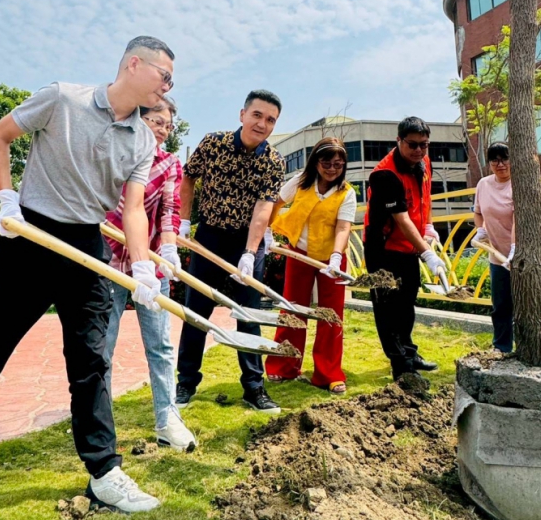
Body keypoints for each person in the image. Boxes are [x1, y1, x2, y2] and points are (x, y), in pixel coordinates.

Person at [0, 36, 175, 514]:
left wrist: (143, 264)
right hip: (30, 237)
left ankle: (104, 472)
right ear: (133, 64)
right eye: (164, 74)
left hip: (86, 246)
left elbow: (132, 210)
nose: (168, 85)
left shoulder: (144, 139)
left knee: (89, 363)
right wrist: (7, 199)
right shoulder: (63, 97)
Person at [176, 90, 285, 413]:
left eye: (270, 120)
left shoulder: (273, 162)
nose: (262, 124)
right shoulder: (213, 144)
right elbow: (188, 177)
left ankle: (254, 388)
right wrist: (183, 221)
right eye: (257, 115)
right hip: (209, 236)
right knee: (196, 312)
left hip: (247, 241)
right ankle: (186, 382)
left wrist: (251, 253)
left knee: (247, 315)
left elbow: (263, 210)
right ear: (242, 114)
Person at [103, 97, 196, 452]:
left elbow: (170, 210)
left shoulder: (170, 163)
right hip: (107, 259)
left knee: (160, 345)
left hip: (151, 262)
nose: (163, 130)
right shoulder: (114, 151)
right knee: (102, 347)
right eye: (157, 122)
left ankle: (167, 418)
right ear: (138, 120)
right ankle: (101, 422)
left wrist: (169, 247)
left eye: (168, 126)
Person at [264, 137, 357, 394]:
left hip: (331, 259)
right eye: (326, 162)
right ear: (316, 161)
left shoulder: (346, 192)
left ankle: (328, 374)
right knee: (292, 309)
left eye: (338, 164)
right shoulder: (300, 183)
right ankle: (283, 366)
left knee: (331, 316)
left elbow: (343, 227)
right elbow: (275, 203)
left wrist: (336, 257)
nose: (332, 168)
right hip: (299, 253)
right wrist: (267, 232)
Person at [364, 116, 446, 380]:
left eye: (424, 145)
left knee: (407, 303)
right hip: (383, 249)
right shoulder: (384, 175)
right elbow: (401, 218)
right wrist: (427, 253)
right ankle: (401, 366)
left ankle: (409, 352)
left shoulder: (423, 162)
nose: (419, 151)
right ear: (398, 141)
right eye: (413, 145)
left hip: (409, 246)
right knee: (387, 307)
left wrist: (430, 226)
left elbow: (425, 198)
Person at [473, 141, 515, 352]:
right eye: (494, 160)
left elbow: (519, 220)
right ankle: (502, 347)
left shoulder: (519, 183)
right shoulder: (483, 184)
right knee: (500, 306)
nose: (500, 164)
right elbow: (478, 211)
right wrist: (481, 229)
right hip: (497, 257)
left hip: (520, 256)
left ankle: (528, 347)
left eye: (505, 158)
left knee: (526, 306)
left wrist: (515, 249)